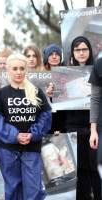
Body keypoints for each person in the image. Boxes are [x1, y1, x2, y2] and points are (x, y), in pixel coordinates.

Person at [0, 54, 52, 200]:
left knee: (34, 190)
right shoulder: (1, 94)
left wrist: (33, 134)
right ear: (8, 71)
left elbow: (46, 116)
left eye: (22, 68)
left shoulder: (36, 91)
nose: (18, 72)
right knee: (13, 189)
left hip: (32, 148)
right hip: (8, 151)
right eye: (15, 68)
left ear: (26, 70)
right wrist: (14, 135)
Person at [66, 36, 101, 200]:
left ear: (90, 50)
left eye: (84, 49)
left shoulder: (98, 68)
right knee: (80, 168)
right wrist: (53, 95)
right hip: (74, 126)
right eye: (77, 50)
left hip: (95, 126)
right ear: (72, 52)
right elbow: (60, 106)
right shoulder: (64, 74)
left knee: (94, 167)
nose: (81, 53)